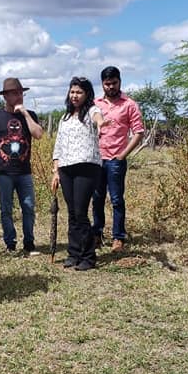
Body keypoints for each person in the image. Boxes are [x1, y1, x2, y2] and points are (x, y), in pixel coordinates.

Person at [0, 77, 43, 255]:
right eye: (15, 93)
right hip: (4, 172)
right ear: (5, 96)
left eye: (21, 93)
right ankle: (10, 243)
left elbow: (38, 134)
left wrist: (24, 114)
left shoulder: (29, 115)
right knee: (6, 209)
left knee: (29, 207)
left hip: (24, 172)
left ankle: (29, 243)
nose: (19, 96)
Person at [52, 77, 105, 271]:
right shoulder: (65, 118)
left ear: (87, 94)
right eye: (72, 92)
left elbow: (99, 118)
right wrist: (55, 171)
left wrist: (101, 125)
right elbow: (58, 146)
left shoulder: (92, 111)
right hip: (66, 168)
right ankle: (74, 253)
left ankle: (88, 256)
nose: (75, 96)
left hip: (86, 166)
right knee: (72, 212)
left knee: (81, 212)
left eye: (79, 92)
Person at [92, 66, 144, 251]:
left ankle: (118, 237)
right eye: (107, 84)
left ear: (120, 81)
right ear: (102, 84)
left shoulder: (129, 104)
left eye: (114, 83)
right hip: (97, 159)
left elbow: (138, 132)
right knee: (97, 198)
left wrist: (123, 154)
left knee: (116, 199)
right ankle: (96, 235)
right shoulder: (95, 104)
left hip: (116, 159)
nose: (111, 87)